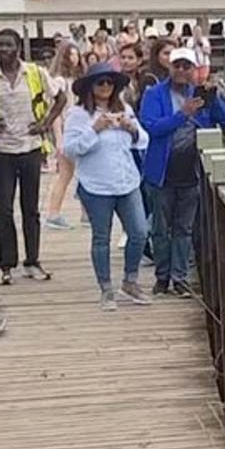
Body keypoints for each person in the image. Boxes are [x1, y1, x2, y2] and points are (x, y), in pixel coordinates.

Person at [0, 28, 65, 284]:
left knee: (30, 208)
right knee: (4, 208)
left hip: (31, 148)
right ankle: (7, 263)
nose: (4, 49)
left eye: (9, 45)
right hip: (2, 150)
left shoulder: (35, 73)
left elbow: (60, 98)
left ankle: (32, 260)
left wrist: (46, 123)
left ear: (19, 47)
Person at [139, 48, 225, 297]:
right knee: (160, 229)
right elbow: (151, 127)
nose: (181, 70)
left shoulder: (199, 93)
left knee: (184, 229)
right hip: (162, 172)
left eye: (187, 66)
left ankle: (179, 278)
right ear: (170, 67)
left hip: (191, 173)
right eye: (177, 65)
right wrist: (183, 115)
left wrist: (215, 98)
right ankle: (162, 277)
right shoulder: (154, 94)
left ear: (194, 69)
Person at [64, 63, 152, 310]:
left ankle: (130, 280)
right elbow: (70, 150)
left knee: (139, 232)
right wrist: (95, 129)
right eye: (100, 82)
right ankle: (106, 289)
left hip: (127, 180)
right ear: (90, 87)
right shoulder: (78, 114)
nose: (105, 87)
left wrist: (131, 128)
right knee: (101, 237)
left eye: (109, 83)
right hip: (96, 185)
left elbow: (143, 140)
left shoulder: (124, 108)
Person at [43, 41, 83, 230]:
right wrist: (59, 137)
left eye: (76, 55)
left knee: (82, 173)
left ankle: (85, 213)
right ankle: (53, 213)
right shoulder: (59, 81)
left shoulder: (78, 79)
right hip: (67, 130)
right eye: (70, 55)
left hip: (80, 129)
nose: (74, 59)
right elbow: (56, 111)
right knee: (65, 174)